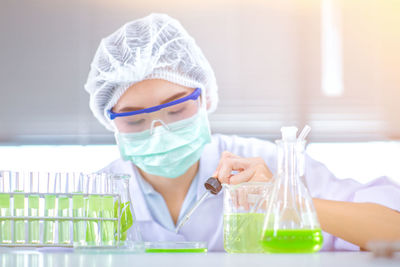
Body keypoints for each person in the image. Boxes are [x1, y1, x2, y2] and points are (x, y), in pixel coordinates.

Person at [84, 13, 400, 251]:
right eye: (134, 121)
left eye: (176, 110)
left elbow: (393, 229)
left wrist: (280, 197)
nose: (159, 133)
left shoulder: (268, 163)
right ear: (109, 121)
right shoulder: (93, 197)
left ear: (205, 98)